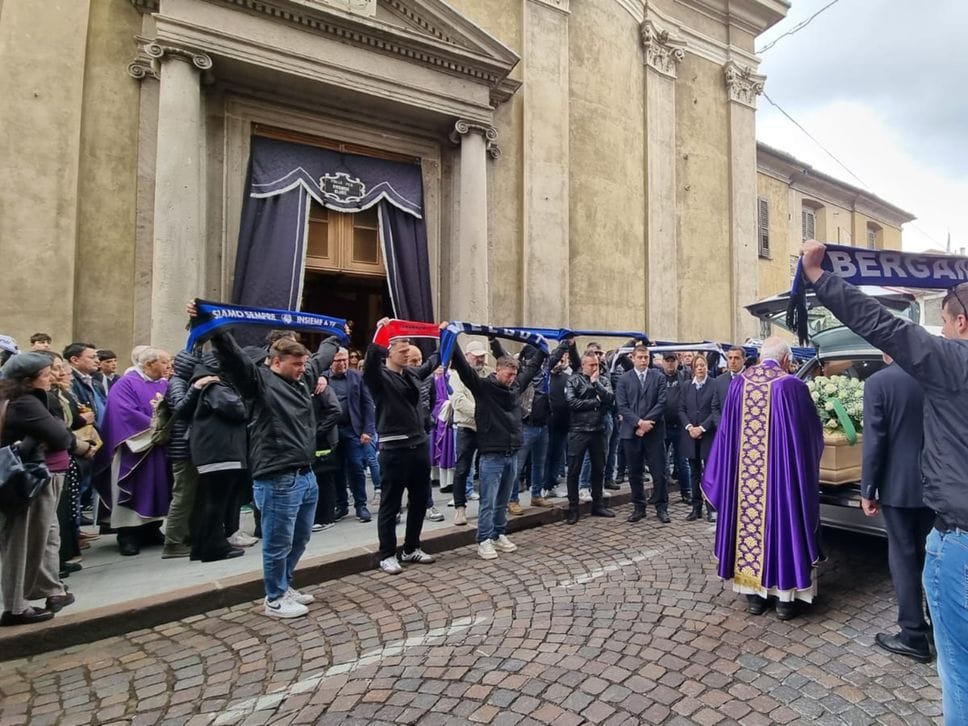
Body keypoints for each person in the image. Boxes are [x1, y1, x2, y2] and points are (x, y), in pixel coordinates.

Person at [801, 239, 968, 718]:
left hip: (956, 530)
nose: (940, 331)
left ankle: (914, 633)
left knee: (960, 671)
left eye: (944, 322)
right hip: (933, 501)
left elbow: (880, 323)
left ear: (960, 322)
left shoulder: (949, 362)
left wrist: (818, 276)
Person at [208, 328, 329, 618]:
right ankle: (274, 597)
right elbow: (235, 360)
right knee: (278, 541)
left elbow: (322, 359)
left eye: (303, 364)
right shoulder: (259, 383)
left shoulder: (301, 380)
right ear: (276, 362)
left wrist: (337, 334)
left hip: (304, 473)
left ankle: (284, 585)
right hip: (277, 476)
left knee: (300, 538)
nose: (303, 369)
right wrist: (216, 330)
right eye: (296, 365)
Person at [701, 337, 823, 621]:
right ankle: (784, 600)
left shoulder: (739, 384)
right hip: (781, 478)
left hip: (745, 483)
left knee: (749, 528)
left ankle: (754, 597)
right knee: (783, 526)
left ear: (759, 357)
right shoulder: (791, 385)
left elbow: (727, 436)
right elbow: (810, 433)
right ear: (784, 360)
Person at [0, 352, 95, 625]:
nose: (50, 377)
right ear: (29, 380)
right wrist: (42, 437)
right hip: (25, 480)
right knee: (22, 544)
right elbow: (60, 435)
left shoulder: (16, 399)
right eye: (45, 374)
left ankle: (33, 596)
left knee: (33, 540)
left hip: (21, 478)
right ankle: (16, 608)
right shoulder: (26, 402)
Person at [861, 355, 933, 664]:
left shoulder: (879, 382)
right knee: (930, 557)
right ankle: (936, 625)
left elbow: (875, 440)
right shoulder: (931, 376)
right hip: (935, 483)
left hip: (898, 486)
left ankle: (913, 634)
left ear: (885, 352)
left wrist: (867, 489)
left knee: (903, 559)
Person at [452, 340, 546, 559]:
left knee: (503, 500)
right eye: (508, 374)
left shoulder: (514, 387)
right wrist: (452, 339)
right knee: (489, 500)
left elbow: (532, 368)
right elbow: (464, 369)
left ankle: (498, 533)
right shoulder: (483, 387)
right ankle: (483, 539)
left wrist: (544, 347)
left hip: (511, 452)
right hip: (492, 454)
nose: (512, 378)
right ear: (498, 370)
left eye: (514, 374)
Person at [364, 319, 439, 574]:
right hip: (393, 449)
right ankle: (387, 554)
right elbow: (371, 361)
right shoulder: (379, 378)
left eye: (409, 350)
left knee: (419, 500)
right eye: (402, 350)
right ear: (390, 351)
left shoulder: (412, 375)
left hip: (418, 445)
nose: (407, 355)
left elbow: (434, 361)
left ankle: (411, 547)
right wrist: (382, 332)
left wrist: (447, 334)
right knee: (391, 504)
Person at [97, 347, 173, 556]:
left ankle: (151, 529)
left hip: (158, 446)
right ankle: (127, 534)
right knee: (132, 488)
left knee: (158, 488)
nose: (169, 366)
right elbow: (123, 413)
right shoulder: (126, 383)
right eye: (165, 362)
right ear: (149, 364)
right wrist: (157, 427)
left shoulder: (164, 383)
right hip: (135, 448)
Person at [187, 364, 247, 562]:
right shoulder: (216, 387)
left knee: (209, 502)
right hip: (221, 453)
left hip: (213, 453)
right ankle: (214, 547)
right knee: (216, 503)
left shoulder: (205, 386)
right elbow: (238, 410)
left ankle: (201, 546)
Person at [615, 345, 668, 523]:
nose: (644, 360)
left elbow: (661, 402)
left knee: (659, 471)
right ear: (633, 357)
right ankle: (639, 507)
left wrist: (646, 424)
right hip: (632, 432)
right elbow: (622, 406)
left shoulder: (658, 377)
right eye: (640, 357)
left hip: (654, 431)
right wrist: (638, 423)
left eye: (646, 357)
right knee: (635, 472)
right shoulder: (624, 379)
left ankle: (662, 507)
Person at [564, 351, 616, 524]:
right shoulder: (573, 380)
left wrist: (596, 385)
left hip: (599, 429)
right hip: (578, 430)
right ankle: (573, 508)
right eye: (592, 365)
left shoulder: (603, 380)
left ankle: (598, 503)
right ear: (583, 365)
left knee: (599, 468)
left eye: (597, 364)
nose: (596, 368)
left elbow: (609, 399)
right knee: (574, 470)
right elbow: (572, 403)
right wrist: (595, 402)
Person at [325, 348, 376, 523]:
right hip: (331, 432)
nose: (343, 363)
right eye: (339, 360)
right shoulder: (323, 378)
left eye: (345, 359)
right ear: (331, 361)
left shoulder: (357, 377)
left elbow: (367, 404)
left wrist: (368, 430)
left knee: (356, 468)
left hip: (353, 430)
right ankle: (341, 504)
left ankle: (361, 505)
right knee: (336, 469)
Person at [447, 340, 490, 525]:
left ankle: (487, 505)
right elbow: (458, 401)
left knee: (488, 468)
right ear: (467, 356)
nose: (480, 359)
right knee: (463, 468)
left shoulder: (489, 373)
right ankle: (460, 508)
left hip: (486, 428)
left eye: (482, 356)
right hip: (467, 427)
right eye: (476, 356)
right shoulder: (456, 376)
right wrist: (483, 414)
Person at [679, 353, 719, 522]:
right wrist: (690, 427)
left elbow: (714, 409)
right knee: (694, 472)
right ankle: (696, 508)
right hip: (690, 435)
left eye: (703, 365)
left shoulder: (714, 384)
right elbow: (681, 409)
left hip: (708, 435)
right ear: (693, 369)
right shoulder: (687, 386)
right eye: (698, 366)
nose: (701, 368)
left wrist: (702, 427)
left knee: (709, 473)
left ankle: (711, 507)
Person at [660, 352, 691, 503]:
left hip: (680, 426)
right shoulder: (657, 377)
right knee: (660, 461)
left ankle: (687, 492)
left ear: (677, 362)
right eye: (668, 361)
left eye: (673, 361)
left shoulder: (684, 376)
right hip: (662, 426)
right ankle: (660, 494)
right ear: (663, 362)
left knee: (682, 460)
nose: (670, 364)